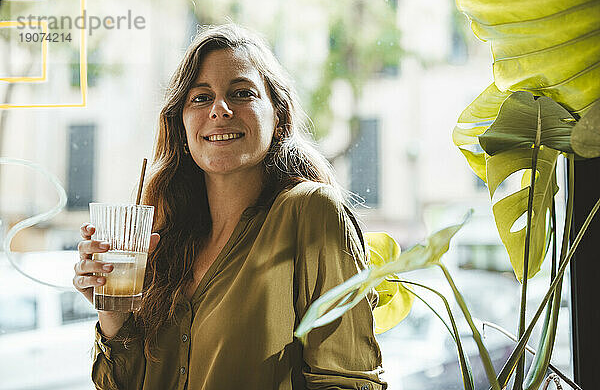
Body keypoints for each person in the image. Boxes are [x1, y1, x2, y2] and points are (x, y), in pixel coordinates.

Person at [73, 23, 387, 390]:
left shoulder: (312, 212)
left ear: (278, 116)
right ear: (183, 125)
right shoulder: (164, 235)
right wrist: (113, 313)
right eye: (201, 98)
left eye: (241, 93)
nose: (219, 109)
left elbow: (349, 381)